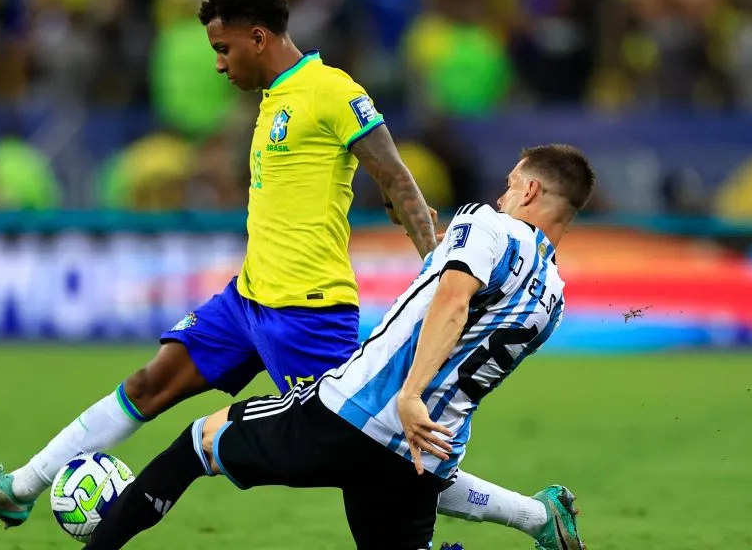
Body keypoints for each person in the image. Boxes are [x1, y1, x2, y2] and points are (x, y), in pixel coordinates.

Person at [0, 0, 573, 548]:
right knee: (151, 383)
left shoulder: (331, 90)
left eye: (224, 49)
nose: (217, 63)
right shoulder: (270, 98)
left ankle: (530, 517)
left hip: (308, 313)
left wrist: (441, 270)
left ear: (259, 37)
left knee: (378, 451)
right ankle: (23, 485)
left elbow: (398, 181)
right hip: (246, 301)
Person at [77, 145, 595, 550]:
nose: (502, 195)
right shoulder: (552, 298)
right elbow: (466, 309)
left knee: (195, 445)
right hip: (422, 455)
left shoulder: (489, 224)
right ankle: (537, 518)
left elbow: (453, 303)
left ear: (529, 190)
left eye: (509, 186)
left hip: (355, 413)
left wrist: (410, 392)